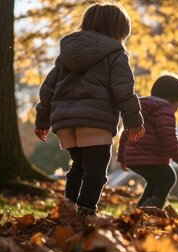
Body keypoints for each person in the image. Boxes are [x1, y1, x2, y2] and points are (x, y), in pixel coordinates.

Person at [34, 3, 145, 215]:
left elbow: (48, 88)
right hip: (96, 120)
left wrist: (42, 120)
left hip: (65, 121)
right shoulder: (116, 53)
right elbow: (123, 90)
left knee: (78, 165)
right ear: (119, 30)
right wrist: (134, 120)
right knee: (95, 170)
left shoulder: (65, 55)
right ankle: (85, 211)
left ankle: (68, 209)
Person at [117, 74, 178, 211]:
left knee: (154, 181)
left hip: (132, 158)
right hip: (150, 156)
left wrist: (122, 157)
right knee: (168, 177)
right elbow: (169, 137)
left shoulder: (137, 108)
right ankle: (152, 210)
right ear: (172, 99)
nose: (176, 110)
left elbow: (125, 133)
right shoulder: (164, 110)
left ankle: (140, 211)